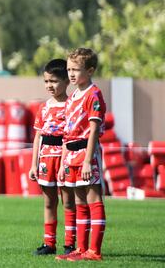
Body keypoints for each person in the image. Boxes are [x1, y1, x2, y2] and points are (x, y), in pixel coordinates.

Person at [56, 48, 107, 262]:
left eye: (76, 69)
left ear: (90, 70)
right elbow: (67, 133)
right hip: (71, 154)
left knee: (93, 199)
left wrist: (88, 161)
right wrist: (62, 164)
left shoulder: (93, 95)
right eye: (69, 69)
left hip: (87, 152)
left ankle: (94, 251)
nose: (71, 74)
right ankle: (81, 248)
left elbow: (94, 129)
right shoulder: (72, 97)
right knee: (79, 202)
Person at [28, 58, 75, 256]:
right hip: (46, 159)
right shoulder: (44, 108)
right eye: (47, 81)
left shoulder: (72, 105)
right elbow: (38, 137)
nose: (50, 85)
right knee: (49, 202)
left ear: (67, 82)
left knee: (68, 202)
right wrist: (34, 165)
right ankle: (49, 243)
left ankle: (70, 244)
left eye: (54, 81)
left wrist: (67, 161)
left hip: (65, 158)